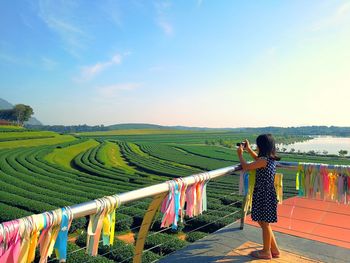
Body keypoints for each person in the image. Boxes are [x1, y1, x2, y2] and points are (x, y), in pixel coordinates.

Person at [236, 134, 281, 259]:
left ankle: (266, 252)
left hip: (263, 193)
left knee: (264, 223)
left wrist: (240, 154)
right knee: (263, 222)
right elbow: (258, 160)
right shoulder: (269, 159)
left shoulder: (263, 161)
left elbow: (246, 167)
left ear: (262, 146)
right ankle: (274, 249)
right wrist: (249, 150)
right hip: (266, 192)